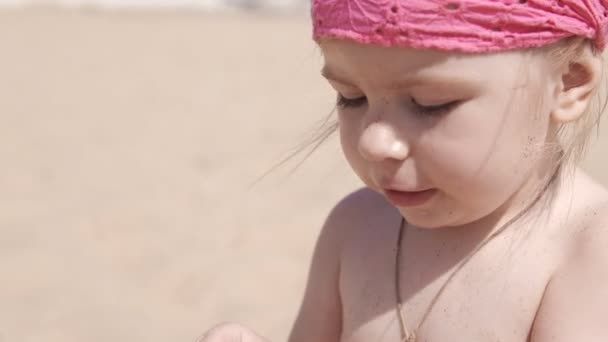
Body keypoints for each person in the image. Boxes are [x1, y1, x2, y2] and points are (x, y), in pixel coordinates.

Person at [201, 1, 608, 341]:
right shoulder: (354, 228)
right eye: (351, 98)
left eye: (430, 104)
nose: (372, 141)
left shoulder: (586, 248)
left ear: (569, 83)